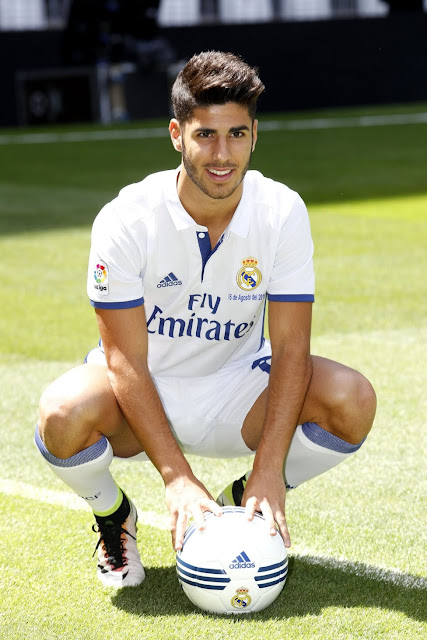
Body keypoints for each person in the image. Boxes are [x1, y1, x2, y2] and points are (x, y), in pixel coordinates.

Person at [36, 51, 376, 588]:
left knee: (352, 399)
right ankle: (113, 516)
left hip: (237, 390)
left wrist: (269, 471)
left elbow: (291, 349)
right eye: (206, 136)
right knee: (61, 414)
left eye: (237, 135)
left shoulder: (281, 210)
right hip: (141, 393)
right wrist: (176, 477)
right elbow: (125, 361)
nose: (222, 154)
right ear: (177, 135)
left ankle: (240, 500)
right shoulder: (126, 219)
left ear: (255, 135)